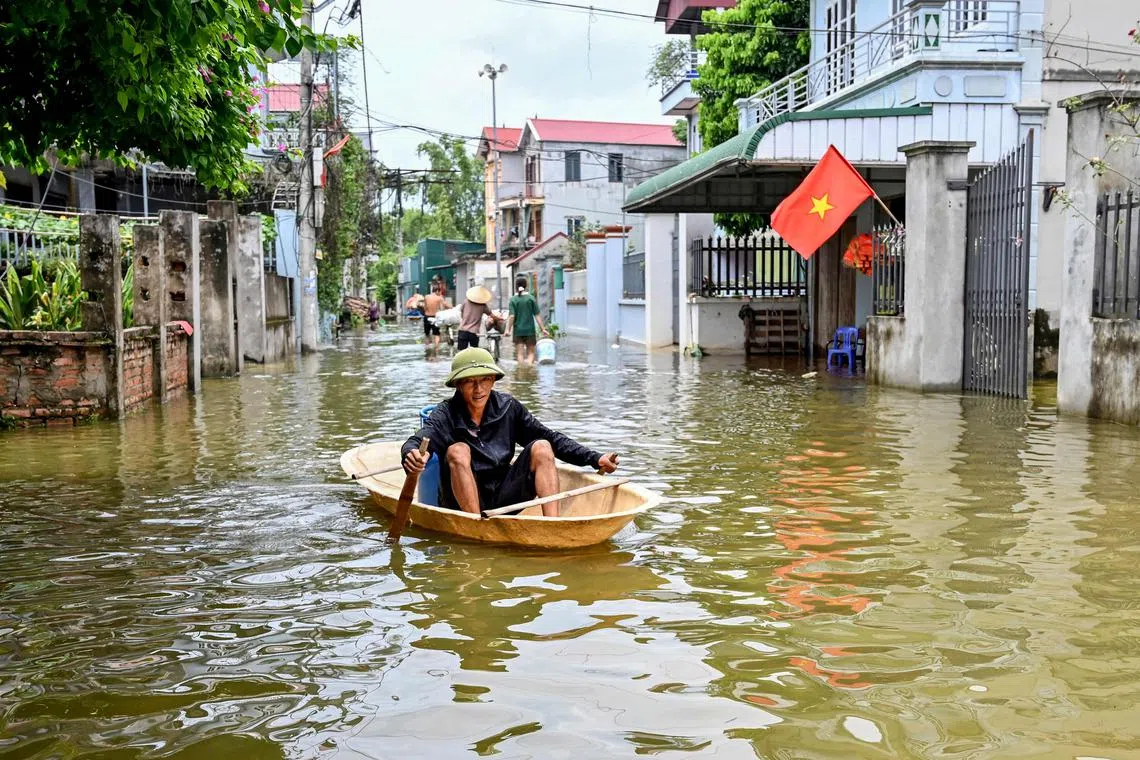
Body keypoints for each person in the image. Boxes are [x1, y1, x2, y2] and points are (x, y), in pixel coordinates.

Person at [401, 347, 619, 516]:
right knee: (458, 450)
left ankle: (553, 525)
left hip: (504, 495)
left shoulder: (508, 407)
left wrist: (595, 458)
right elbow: (420, 439)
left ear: (493, 380)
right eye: (470, 382)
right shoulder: (446, 413)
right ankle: (475, 526)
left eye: (484, 380)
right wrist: (411, 453)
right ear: (458, 385)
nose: (479, 390)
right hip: (462, 501)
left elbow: (552, 438)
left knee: (542, 446)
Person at [506, 276, 547, 365]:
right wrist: (543, 329)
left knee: (520, 354)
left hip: (518, 331)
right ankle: (529, 370)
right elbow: (537, 315)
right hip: (530, 330)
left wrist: (507, 330)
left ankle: (521, 372)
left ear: (516, 286)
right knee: (531, 353)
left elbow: (511, 316)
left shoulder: (513, 299)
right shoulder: (531, 298)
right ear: (526, 286)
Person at [457, 284, 498, 351]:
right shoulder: (483, 305)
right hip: (473, 332)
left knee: (461, 352)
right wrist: (499, 319)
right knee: (474, 354)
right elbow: (491, 315)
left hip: (462, 330)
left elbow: (461, 312)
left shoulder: (466, 301)